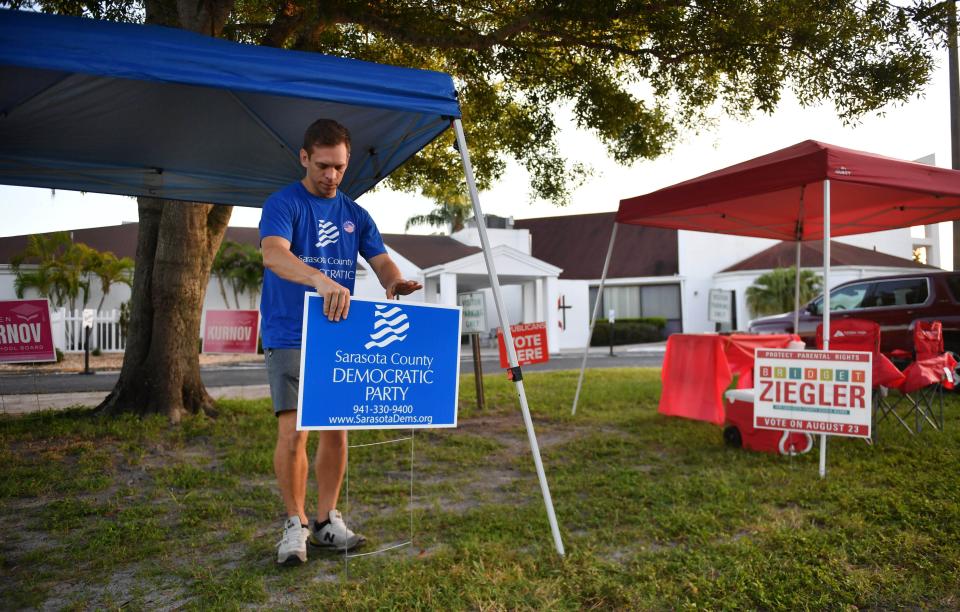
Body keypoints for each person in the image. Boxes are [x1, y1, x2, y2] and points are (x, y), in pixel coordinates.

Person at [259, 118, 422, 566]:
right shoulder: (283, 204)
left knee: (336, 428)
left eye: (340, 167)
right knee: (294, 432)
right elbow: (272, 253)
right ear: (305, 157)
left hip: (337, 332)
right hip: (290, 331)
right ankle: (296, 525)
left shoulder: (355, 214)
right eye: (324, 166)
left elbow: (381, 260)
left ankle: (328, 520)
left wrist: (395, 282)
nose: (332, 176)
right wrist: (318, 278)